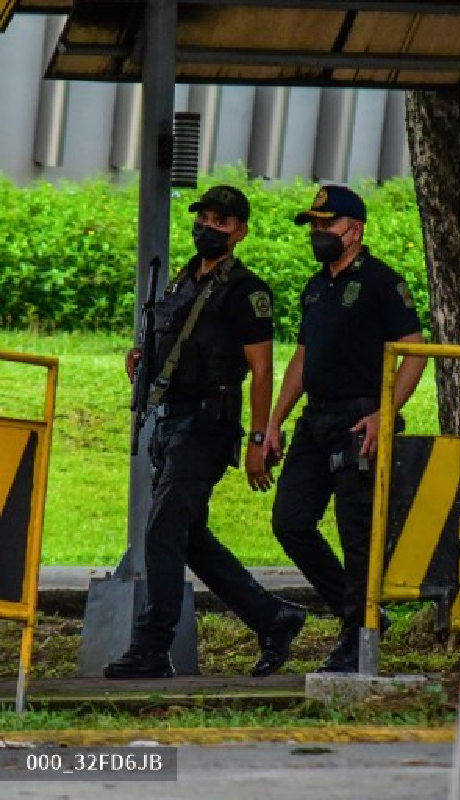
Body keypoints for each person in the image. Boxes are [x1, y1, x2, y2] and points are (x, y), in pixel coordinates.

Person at [105, 185, 307, 680]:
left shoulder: (246, 290)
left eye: (221, 221)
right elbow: (178, 343)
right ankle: (274, 618)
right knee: (189, 538)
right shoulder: (182, 281)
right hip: (171, 422)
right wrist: (143, 360)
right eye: (205, 218)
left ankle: (153, 647)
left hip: (207, 426)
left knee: (162, 528)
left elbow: (262, 370)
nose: (208, 228)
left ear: (240, 231)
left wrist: (260, 439)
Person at [267, 185, 427, 673]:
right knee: (290, 521)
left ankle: (358, 638)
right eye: (313, 226)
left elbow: (415, 347)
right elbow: (303, 356)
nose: (318, 234)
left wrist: (384, 410)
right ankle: (357, 615)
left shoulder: (381, 282)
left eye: (327, 225)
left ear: (354, 230)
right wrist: (273, 421)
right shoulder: (316, 287)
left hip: (361, 419)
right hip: (316, 418)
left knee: (356, 533)